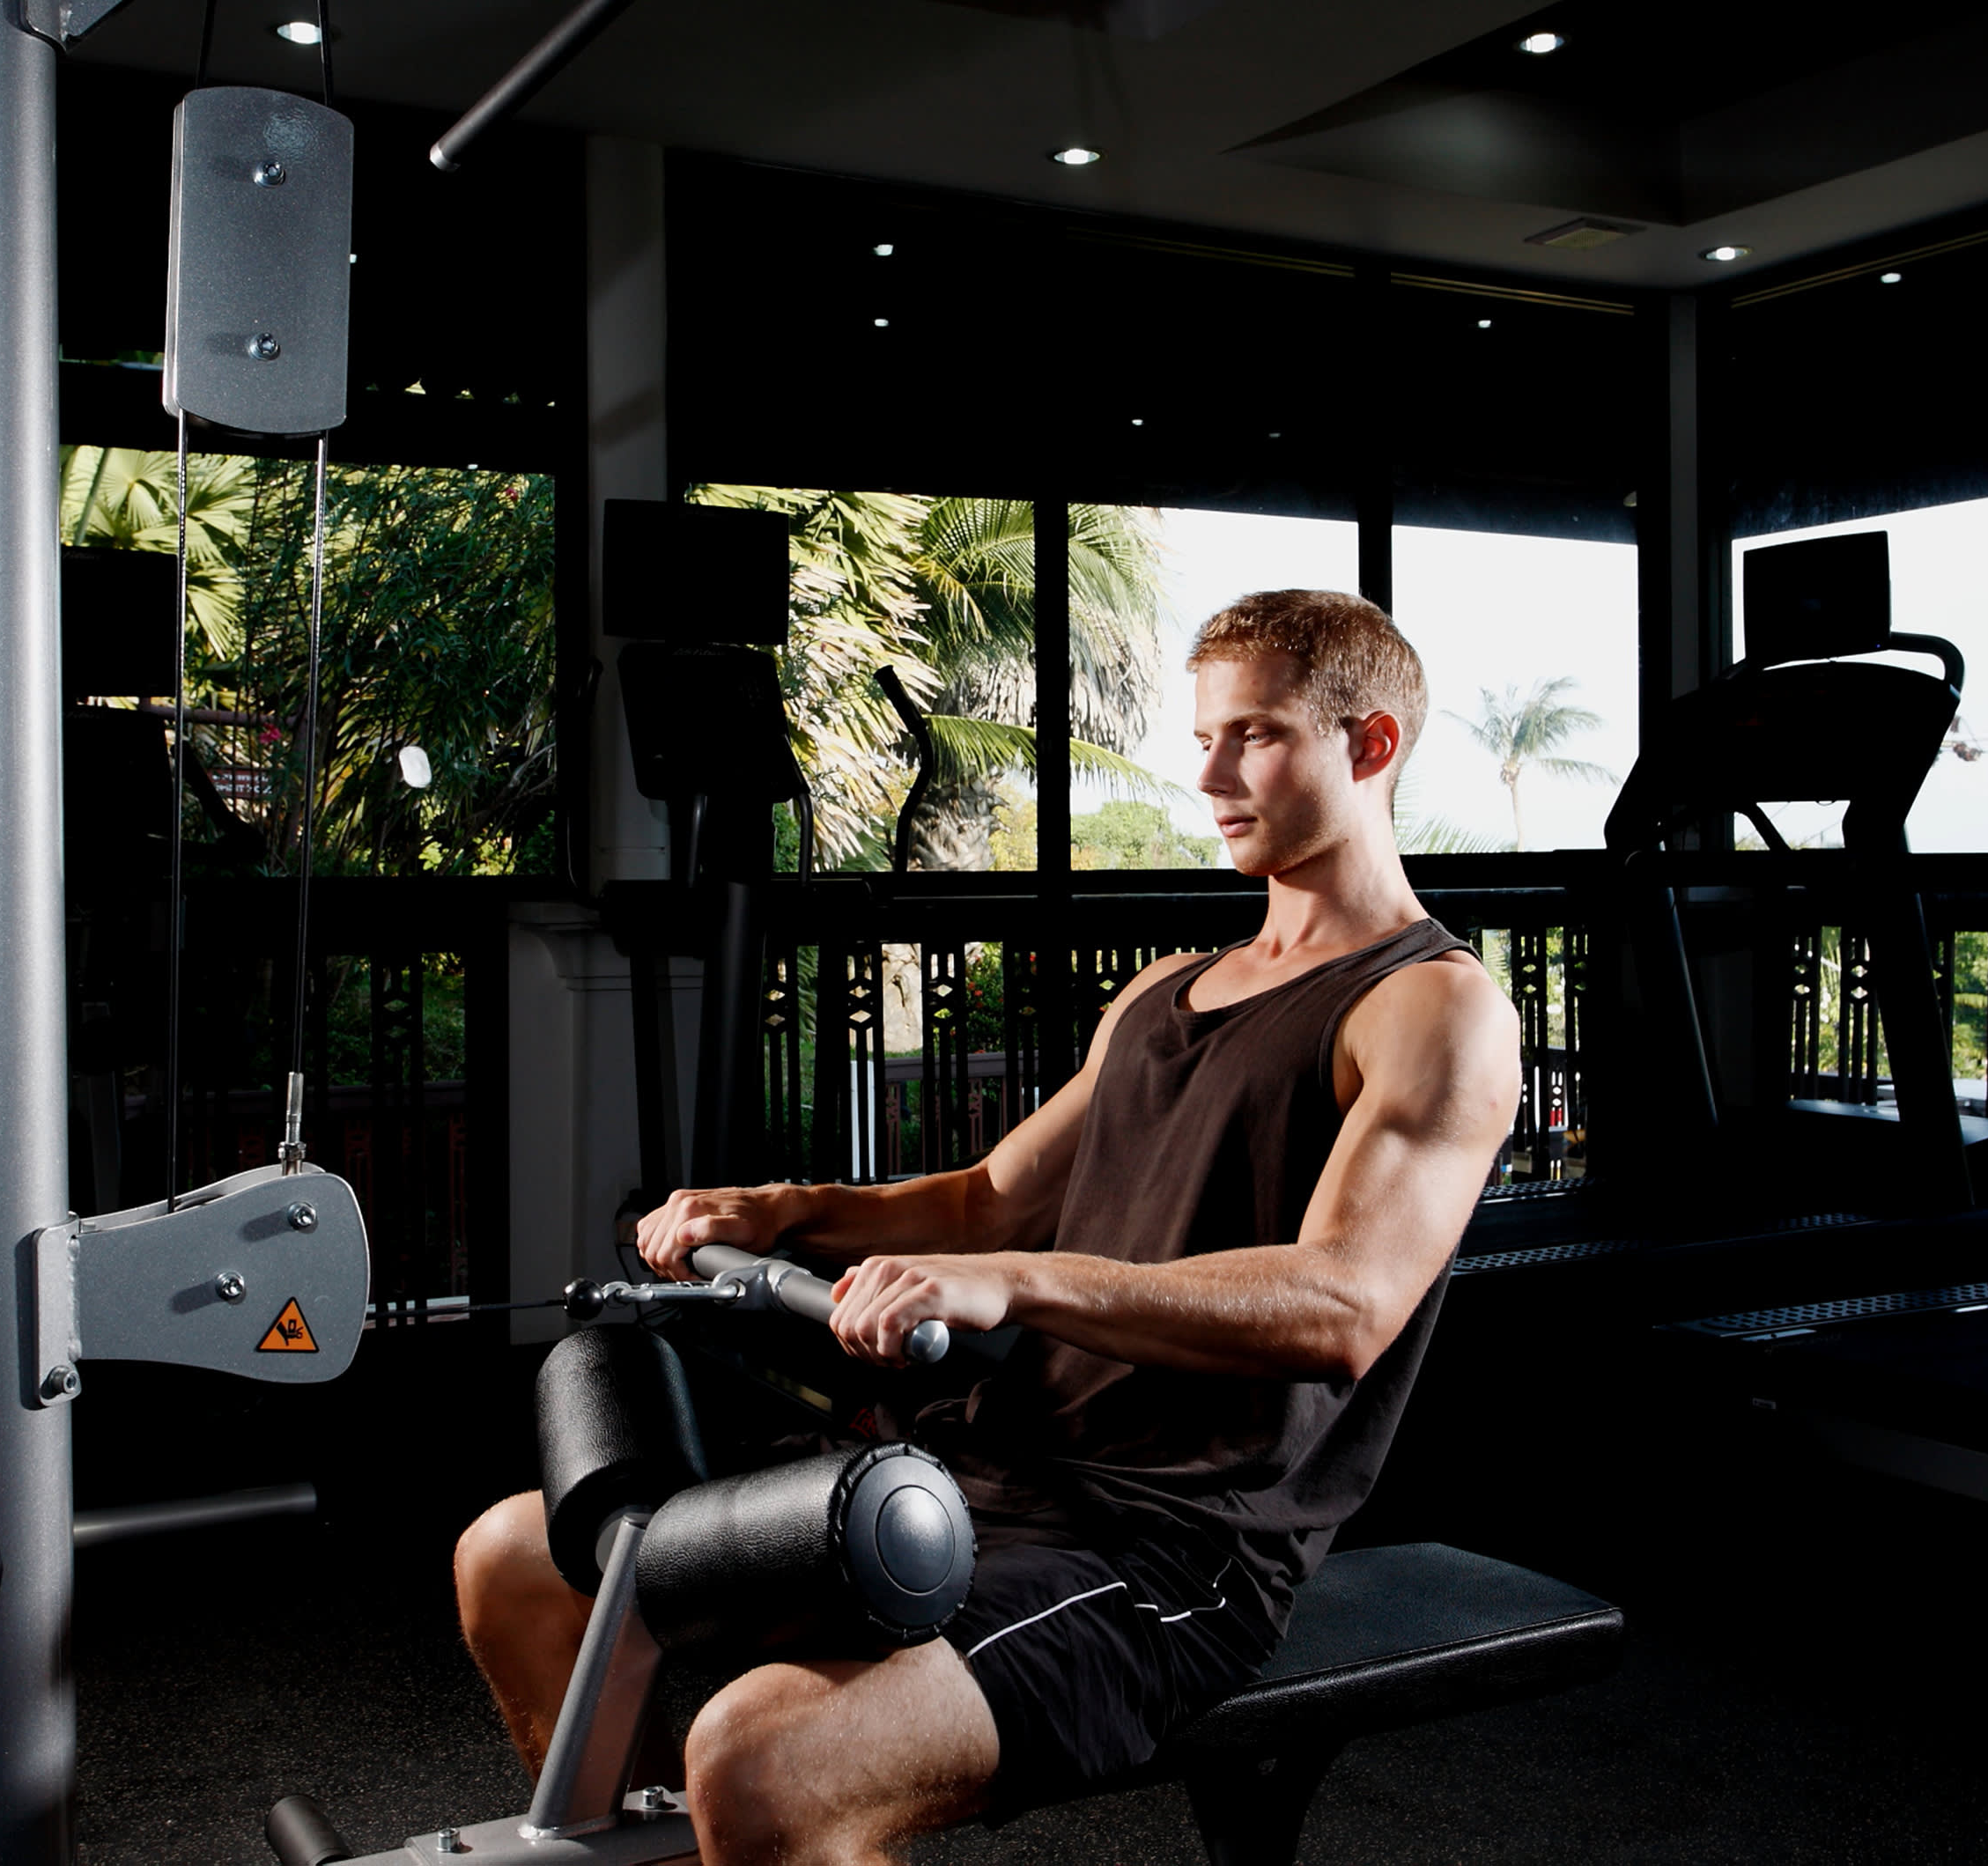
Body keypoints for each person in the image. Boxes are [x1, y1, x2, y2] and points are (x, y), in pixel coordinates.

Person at [455, 588, 1520, 1863]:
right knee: (517, 1557)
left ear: (1372, 744)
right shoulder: (1165, 994)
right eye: (1204, 739)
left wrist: (1012, 1284)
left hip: (1170, 1545)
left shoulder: (1430, 1008)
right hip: (978, 1472)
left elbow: (1343, 1308)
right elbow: (987, 1199)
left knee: (761, 1758)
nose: (1212, 775)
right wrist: (793, 1206)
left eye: (1259, 736)